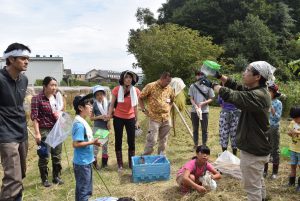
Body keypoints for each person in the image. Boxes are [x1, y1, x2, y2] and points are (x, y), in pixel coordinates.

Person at [199, 61, 275, 201]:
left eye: (247, 70)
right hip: (258, 146)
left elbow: (234, 96)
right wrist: (220, 76)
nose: (243, 73)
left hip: (254, 149)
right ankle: (263, 198)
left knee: (251, 186)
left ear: (257, 77)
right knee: (257, 180)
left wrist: (213, 85)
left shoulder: (258, 95)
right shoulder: (257, 91)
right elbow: (237, 87)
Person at [0, 43, 31, 201]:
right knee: (13, 178)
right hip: (5, 134)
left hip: (22, 132)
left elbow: (20, 105)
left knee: (21, 174)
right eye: (23, 58)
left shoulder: (24, 80)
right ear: (11, 59)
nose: (27, 61)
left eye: (28, 58)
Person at [31, 76, 64, 187]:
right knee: (44, 155)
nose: (54, 87)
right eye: (52, 85)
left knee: (57, 155)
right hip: (44, 130)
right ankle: (44, 179)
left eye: (55, 85)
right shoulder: (37, 98)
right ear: (45, 86)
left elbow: (59, 112)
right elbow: (35, 117)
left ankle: (56, 177)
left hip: (56, 130)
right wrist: (37, 133)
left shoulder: (55, 97)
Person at [107, 70, 140, 171]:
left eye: (130, 77)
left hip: (130, 118)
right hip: (118, 118)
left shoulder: (136, 91)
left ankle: (131, 163)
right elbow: (112, 104)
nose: (128, 79)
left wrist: (137, 120)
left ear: (133, 79)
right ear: (122, 79)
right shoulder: (117, 89)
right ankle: (120, 164)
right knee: (118, 140)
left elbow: (135, 107)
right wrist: (109, 116)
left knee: (131, 141)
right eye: (126, 77)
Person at [72, 94, 101, 201]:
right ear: (80, 107)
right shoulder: (79, 124)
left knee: (82, 189)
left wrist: (94, 141)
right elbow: (75, 144)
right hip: (82, 163)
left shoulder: (82, 121)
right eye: (89, 105)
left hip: (86, 160)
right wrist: (92, 142)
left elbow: (85, 139)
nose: (92, 107)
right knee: (84, 191)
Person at [139, 72, 175, 155]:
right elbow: (140, 98)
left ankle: (160, 158)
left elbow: (172, 100)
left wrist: (169, 109)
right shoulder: (151, 86)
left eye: (169, 82)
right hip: (154, 118)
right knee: (152, 140)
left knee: (164, 140)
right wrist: (144, 110)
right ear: (161, 79)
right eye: (167, 81)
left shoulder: (169, 88)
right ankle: (145, 157)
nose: (168, 83)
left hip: (166, 118)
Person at [189, 71, 215, 147]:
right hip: (194, 111)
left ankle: (204, 144)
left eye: (200, 75)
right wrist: (195, 105)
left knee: (204, 130)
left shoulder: (208, 86)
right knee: (195, 129)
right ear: (195, 76)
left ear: (203, 76)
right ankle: (196, 144)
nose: (199, 76)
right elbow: (191, 98)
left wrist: (203, 103)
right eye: (197, 75)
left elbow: (212, 98)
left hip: (204, 111)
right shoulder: (192, 86)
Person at [263, 83, 282, 179]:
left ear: (274, 92)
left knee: (275, 149)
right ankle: (264, 170)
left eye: (270, 91)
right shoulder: (265, 101)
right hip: (265, 127)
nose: (268, 92)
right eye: (267, 91)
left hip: (274, 128)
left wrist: (273, 110)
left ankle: (274, 172)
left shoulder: (278, 103)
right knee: (265, 148)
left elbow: (278, 118)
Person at [90, 85, 111, 169]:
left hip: (105, 127)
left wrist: (109, 121)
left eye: (101, 94)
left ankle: (104, 164)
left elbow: (110, 115)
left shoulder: (108, 103)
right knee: (96, 146)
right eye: (97, 95)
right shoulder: (94, 104)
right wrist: (99, 117)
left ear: (104, 94)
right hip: (98, 127)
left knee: (105, 146)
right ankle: (94, 164)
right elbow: (91, 118)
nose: (99, 96)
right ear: (95, 96)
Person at [286, 106, 300, 192]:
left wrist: (297, 133)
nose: (294, 120)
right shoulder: (292, 122)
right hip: (293, 149)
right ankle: (291, 182)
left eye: (296, 118)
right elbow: (289, 131)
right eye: (293, 118)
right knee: (293, 166)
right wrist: (290, 133)